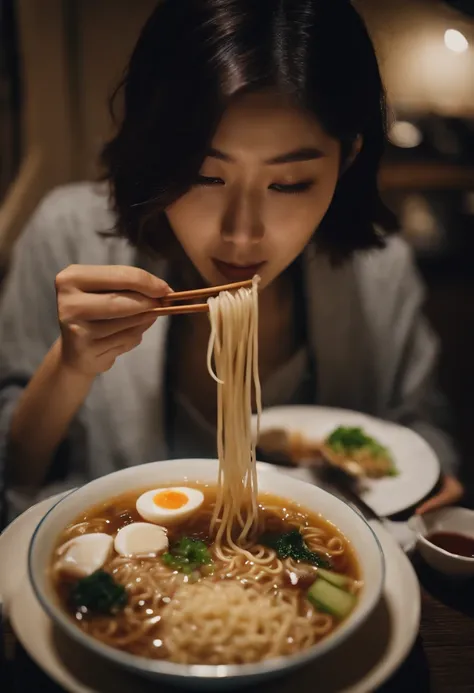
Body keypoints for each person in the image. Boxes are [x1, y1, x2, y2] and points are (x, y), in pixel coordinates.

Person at [0, 0, 463, 519]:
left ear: (347, 158)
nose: (242, 234)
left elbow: (423, 430)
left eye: (289, 183)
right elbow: (14, 470)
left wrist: (434, 479)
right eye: (204, 175)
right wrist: (70, 365)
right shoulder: (65, 233)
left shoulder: (380, 268)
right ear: (158, 152)